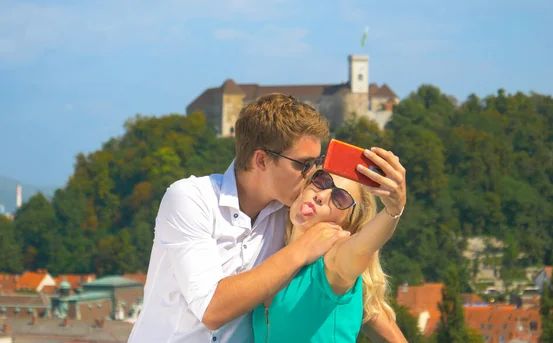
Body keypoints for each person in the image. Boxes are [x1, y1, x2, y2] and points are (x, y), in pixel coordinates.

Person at [127, 93, 405, 343]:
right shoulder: (191, 198)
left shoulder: (294, 212)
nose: (311, 175)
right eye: (303, 164)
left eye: (315, 165)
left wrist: (393, 208)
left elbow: (351, 283)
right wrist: (300, 251)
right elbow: (212, 309)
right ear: (261, 161)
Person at [252, 163, 407, 342]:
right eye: (321, 180)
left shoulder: (332, 264)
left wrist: (393, 212)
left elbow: (362, 247)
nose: (322, 196)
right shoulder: (273, 252)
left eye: (340, 199)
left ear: (348, 223)